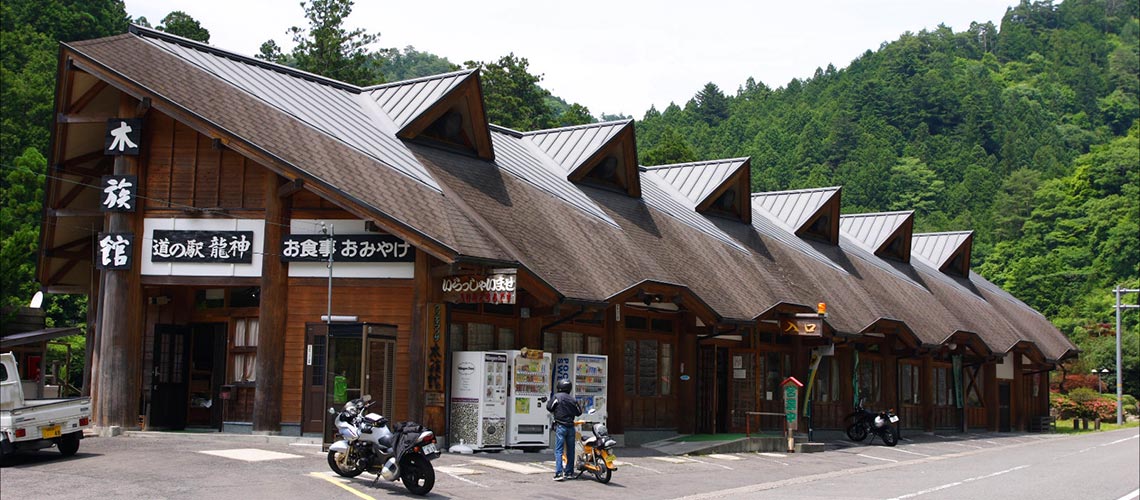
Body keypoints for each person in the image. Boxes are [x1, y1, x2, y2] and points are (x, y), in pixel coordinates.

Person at [546, 378, 581, 481]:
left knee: (559, 450)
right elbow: (579, 412)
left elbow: (549, 407)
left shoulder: (557, 397)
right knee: (571, 450)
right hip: (571, 427)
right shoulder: (572, 399)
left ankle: (558, 473)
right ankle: (569, 472)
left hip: (561, 426)